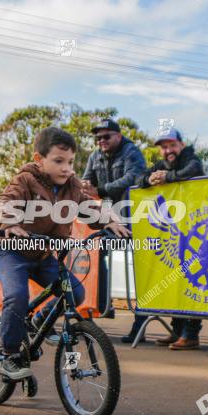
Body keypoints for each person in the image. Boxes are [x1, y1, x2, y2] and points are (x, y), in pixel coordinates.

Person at [0, 126, 130, 379]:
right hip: (13, 252)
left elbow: (89, 208)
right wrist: (10, 223)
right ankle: (10, 354)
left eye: (70, 162)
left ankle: (39, 321)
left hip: (44, 255)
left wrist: (109, 221)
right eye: (58, 161)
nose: (66, 168)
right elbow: (5, 200)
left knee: (75, 293)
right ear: (39, 159)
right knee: (16, 297)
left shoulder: (72, 185)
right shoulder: (25, 180)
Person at [137, 128, 205, 350]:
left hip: (197, 230)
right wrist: (151, 178)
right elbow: (139, 180)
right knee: (176, 278)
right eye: (164, 147)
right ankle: (176, 330)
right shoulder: (161, 163)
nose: (168, 150)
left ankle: (191, 334)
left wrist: (167, 178)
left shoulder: (191, 159)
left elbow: (193, 171)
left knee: (193, 280)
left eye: (172, 145)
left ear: (181, 145)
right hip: (175, 232)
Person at [81, 117, 147, 320]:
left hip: (134, 217)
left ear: (118, 135)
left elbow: (132, 179)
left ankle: (141, 319)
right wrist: (84, 186)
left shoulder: (131, 152)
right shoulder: (95, 156)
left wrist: (99, 190)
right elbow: (87, 179)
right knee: (96, 254)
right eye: (98, 138)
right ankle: (102, 305)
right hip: (110, 218)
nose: (101, 140)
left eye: (106, 136)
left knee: (140, 268)